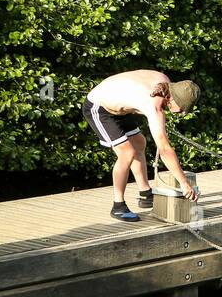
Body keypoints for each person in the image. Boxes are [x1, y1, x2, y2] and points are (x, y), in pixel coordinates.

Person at [83, 70, 200, 221]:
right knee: (126, 153)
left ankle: (145, 194)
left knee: (139, 142)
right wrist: (184, 183)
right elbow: (164, 149)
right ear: (171, 98)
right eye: (182, 108)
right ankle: (118, 206)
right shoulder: (153, 106)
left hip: (119, 107)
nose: (183, 113)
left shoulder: (165, 82)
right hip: (98, 107)